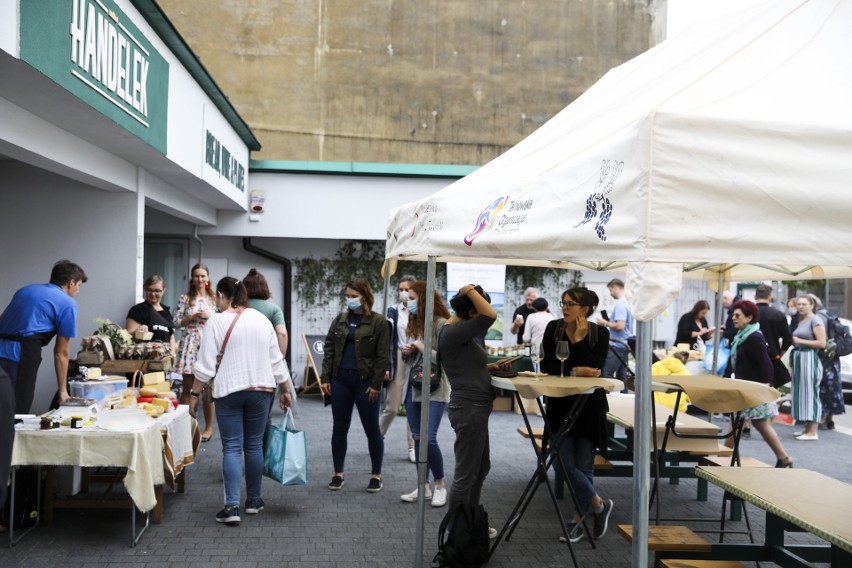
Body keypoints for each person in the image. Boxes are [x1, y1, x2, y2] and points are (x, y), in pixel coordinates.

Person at [189, 277, 292, 525]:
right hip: (261, 388)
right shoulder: (261, 319)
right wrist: (286, 389)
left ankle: (232, 507)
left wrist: (193, 396)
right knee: (254, 445)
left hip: (229, 390)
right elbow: (276, 359)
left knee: (233, 447)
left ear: (223, 296)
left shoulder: (216, 321)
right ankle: (254, 501)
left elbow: (204, 366)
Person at [540, 287, 613, 543]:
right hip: (559, 404)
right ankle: (598, 503)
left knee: (584, 465)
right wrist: (573, 371)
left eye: (571, 304)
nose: (565, 307)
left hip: (588, 406)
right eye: (563, 303)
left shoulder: (599, 333)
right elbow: (546, 365)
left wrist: (581, 341)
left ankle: (576, 522)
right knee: (561, 462)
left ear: (585, 310)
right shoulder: (554, 328)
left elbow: (595, 369)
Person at [440, 284, 505, 538]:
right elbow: (490, 315)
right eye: (477, 312)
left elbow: (465, 366)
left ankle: (470, 521)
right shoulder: (453, 331)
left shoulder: (456, 332)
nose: (482, 322)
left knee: (481, 467)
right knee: (466, 473)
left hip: (474, 408)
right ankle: (456, 533)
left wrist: (490, 368)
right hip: (469, 409)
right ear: (470, 313)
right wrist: (469, 290)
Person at [320, 278, 390, 493]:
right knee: (339, 428)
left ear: (365, 296)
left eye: (353, 296)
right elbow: (329, 348)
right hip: (340, 380)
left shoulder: (379, 322)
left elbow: (382, 356)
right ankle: (338, 474)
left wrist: (376, 384)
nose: (349, 300)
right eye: (347, 296)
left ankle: (376, 475)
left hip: (366, 383)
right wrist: (325, 378)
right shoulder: (339, 320)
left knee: (372, 430)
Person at [0, 260, 87, 414]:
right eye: (79, 285)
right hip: (20, 354)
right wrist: (62, 390)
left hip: (2, 347)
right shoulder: (68, 303)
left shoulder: (25, 290)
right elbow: (61, 353)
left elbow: (3, 318)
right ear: (71, 283)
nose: (78, 290)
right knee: (16, 409)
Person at [399, 280, 450, 507]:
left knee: (429, 438)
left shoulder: (441, 324)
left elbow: (445, 359)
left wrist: (420, 347)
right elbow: (414, 359)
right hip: (415, 386)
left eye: (411, 299)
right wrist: (408, 352)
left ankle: (440, 484)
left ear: (424, 300)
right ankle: (424, 486)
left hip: (435, 387)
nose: (407, 303)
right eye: (406, 299)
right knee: (418, 438)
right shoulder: (417, 323)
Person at [726, 300, 793, 467]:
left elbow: (765, 364)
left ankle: (784, 458)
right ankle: (725, 455)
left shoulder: (754, 337)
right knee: (738, 422)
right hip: (745, 387)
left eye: (737, 315)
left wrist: (764, 387)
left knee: (756, 423)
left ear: (749, 317)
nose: (733, 318)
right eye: (733, 314)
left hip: (755, 388)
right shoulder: (743, 335)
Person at [175, 263, 217, 442]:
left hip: (208, 341)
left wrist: (210, 316)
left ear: (208, 279)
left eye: (203, 276)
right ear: (192, 278)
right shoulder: (185, 298)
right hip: (191, 343)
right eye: (197, 276)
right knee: (188, 388)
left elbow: (224, 319)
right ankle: (187, 426)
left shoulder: (215, 298)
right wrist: (192, 317)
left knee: (207, 389)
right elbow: (176, 322)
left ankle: (208, 428)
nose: (200, 279)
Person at [381, 275, 417, 463]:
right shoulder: (393, 311)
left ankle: (412, 446)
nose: (403, 293)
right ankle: (379, 436)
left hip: (416, 359)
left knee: (413, 405)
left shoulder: (421, 310)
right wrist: (386, 365)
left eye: (406, 289)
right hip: (398, 358)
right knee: (393, 405)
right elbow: (386, 340)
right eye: (400, 289)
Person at [807, 294, 846, 431]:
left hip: (824, 357)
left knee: (822, 388)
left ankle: (822, 419)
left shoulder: (818, 317)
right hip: (832, 356)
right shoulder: (828, 314)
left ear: (812, 304)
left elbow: (819, 338)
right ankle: (830, 420)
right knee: (832, 388)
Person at [790, 295, 825, 441]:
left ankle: (813, 431)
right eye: (798, 304)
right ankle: (807, 428)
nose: (800, 307)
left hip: (810, 358)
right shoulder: (801, 320)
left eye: (804, 304)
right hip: (800, 358)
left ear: (812, 305)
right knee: (802, 394)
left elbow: (822, 343)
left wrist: (799, 340)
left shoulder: (816, 320)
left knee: (811, 393)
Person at [126, 274, 177, 354]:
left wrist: (172, 355)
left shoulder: (166, 311)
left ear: (163, 291)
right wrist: (138, 332)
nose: (153, 294)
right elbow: (128, 337)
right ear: (145, 289)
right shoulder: (137, 310)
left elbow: (171, 337)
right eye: (150, 290)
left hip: (165, 359)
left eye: (157, 291)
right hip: (146, 359)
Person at [754, 284, 793, 387]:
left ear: (755, 296)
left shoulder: (748, 314)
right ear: (770, 297)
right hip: (772, 356)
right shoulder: (778, 315)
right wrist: (780, 352)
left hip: (750, 358)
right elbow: (788, 339)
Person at [597, 278, 634, 381]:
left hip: (617, 345)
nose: (610, 294)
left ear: (615, 287)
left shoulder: (620, 305)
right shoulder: (627, 303)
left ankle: (608, 396)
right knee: (622, 377)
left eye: (610, 290)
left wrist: (604, 323)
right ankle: (624, 396)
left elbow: (620, 326)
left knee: (606, 373)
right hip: (624, 344)